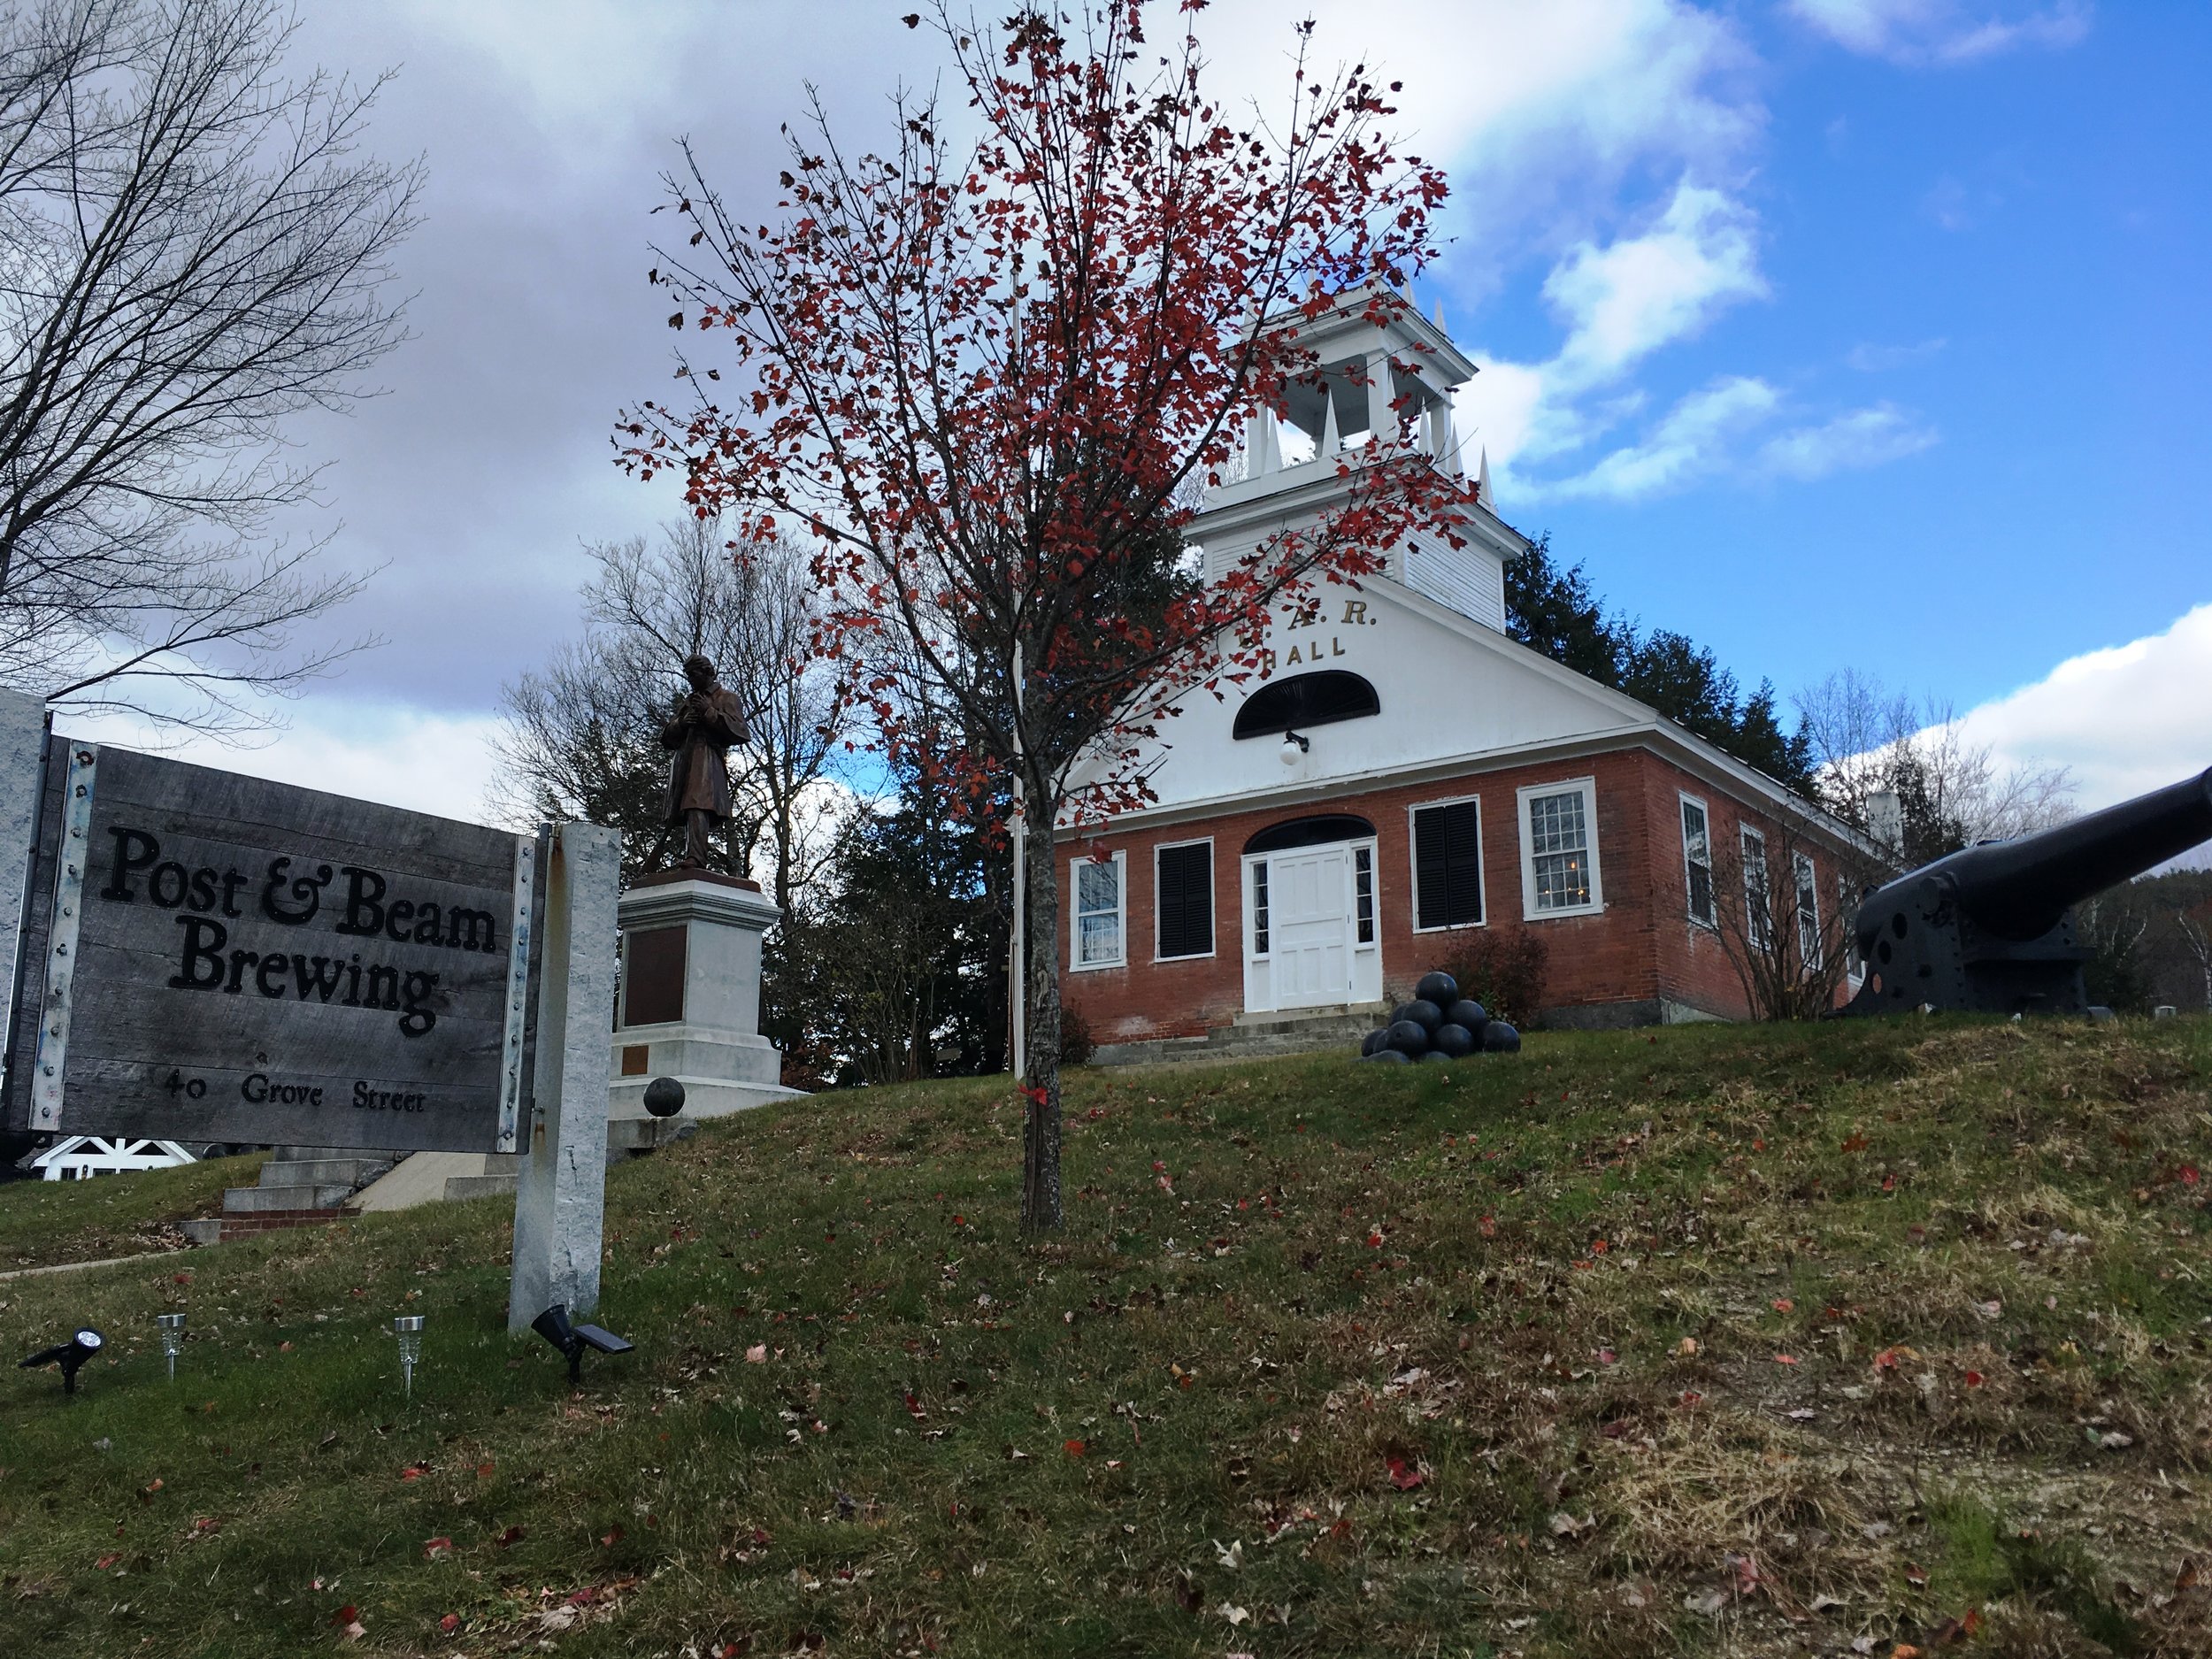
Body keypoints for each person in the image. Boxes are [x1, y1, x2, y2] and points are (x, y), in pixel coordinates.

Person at [659, 654, 749, 869]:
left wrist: (708, 713)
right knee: (685, 808)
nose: (690, 679)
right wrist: (681, 723)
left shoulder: (726, 698)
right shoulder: (689, 702)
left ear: (708, 672)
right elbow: (666, 738)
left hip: (707, 757)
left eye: (693, 674)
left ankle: (697, 857)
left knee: (697, 803)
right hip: (685, 758)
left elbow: (740, 731)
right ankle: (692, 854)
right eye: (688, 675)